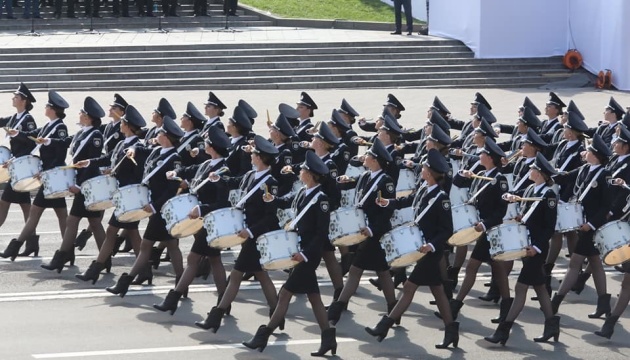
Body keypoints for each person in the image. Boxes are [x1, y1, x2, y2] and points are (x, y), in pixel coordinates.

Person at [242, 151, 337, 356]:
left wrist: (306, 255)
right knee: (314, 297)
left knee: (285, 293)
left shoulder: (321, 200)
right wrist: (271, 199)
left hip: (307, 255)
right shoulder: (304, 192)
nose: (300, 171)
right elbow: (286, 201)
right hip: (300, 251)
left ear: (310, 175)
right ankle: (328, 337)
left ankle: (263, 335)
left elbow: (321, 234)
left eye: (303, 170)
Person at [366, 149, 458, 349]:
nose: (422, 169)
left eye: (424, 168)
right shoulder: (425, 189)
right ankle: (451, 330)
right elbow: (407, 201)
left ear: (431, 172)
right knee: (438, 291)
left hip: (430, 252)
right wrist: (387, 202)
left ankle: (384, 326)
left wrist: (432, 245)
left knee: (409, 288)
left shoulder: (441, 198)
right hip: (421, 248)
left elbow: (447, 230)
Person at [194, 135, 280, 333]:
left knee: (236, 275)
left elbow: (270, 217)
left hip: (255, 236)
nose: (251, 155)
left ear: (260, 158)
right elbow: (235, 181)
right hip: (246, 231)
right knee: (261, 274)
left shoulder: (270, 183)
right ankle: (277, 313)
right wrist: (219, 179)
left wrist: (250, 231)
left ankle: (216, 316)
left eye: (254, 154)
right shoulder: (251, 175)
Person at [153, 126, 232, 314]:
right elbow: (192, 171)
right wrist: (177, 173)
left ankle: (174, 298)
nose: (204, 144)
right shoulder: (207, 164)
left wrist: (202, 209)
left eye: (206, 143)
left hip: (211, 221)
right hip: (203, 220)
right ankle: (224, 302)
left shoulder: (222, 170)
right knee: (214, 260)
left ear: (212, 147)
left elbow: (222, 202)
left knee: (194, 258)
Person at [484, 153, 560, 345]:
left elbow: (549, 227)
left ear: (540, 173)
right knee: (540, 287)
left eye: (533, 169)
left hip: (535, 248)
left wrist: (536, 247)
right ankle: (552, 325)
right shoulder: (531, 190)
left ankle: (503, 330)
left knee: (520, 288)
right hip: (526, 244)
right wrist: (521, 217)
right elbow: (530, 215)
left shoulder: (548, 195)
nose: (530, 171)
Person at [106, 115, 184, 296]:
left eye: (161, 133)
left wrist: (156, 206)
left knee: (147, 245)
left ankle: (126, 281)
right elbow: (140, 148)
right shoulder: (157, 152)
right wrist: (132, 149)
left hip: (163, 209)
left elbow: (171, 189)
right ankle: (182, 283)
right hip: (154, 205)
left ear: (166, 137)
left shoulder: (174, 159)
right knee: (171, 245)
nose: (157, 134)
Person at [327, 138, 397, 325]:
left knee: (356, 270)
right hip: (365, 231)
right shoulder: (366, 176)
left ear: (375, 160)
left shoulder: (386, 181)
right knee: (382, 272)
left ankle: (337, 308)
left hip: (376, 233)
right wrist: (343, 180)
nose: (364, 157)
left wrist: (372, 230)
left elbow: (387, 211)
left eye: (368, 155)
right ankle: (393, 309)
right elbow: (351, 182)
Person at [74, 105, 146, 284]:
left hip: (130, 196)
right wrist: (89, 162)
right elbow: (108, 159)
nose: (120, 124)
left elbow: (137, 171)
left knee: (114, 230)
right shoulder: (122, 143)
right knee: (131, 233)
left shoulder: (138, 147)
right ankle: (144, 270)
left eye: (123, 122)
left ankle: (96, 269)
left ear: (128, 126)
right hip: (122, 195)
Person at [0, 91, 71, 262]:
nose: (45, 108)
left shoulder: (58, 127)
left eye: (47, 106)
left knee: (34, 211)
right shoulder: (48, 125)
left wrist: (44, 169)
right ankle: (62, 250)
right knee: (43, 212)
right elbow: (33, 138)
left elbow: (59, 153)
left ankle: (22, 245)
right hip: (32, 172)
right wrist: (17, 137)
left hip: (46, 175)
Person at [444, 137, 509, 322]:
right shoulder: (482, 175)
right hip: (483, 229)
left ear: (490, 157)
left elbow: (501, 211)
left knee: (474, 267)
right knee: (497, 269)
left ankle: (455, 306)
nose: (480, 155)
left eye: (483, 154)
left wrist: (485, 224)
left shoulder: (499, 179)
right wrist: (464, 175)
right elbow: (457, 183)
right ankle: (506, 304)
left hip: (491, 230)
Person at [550, 134, 613, 318]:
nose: (586, 152)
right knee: (595, 263)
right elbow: (563, 178)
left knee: (575, 263)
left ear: (596, 155)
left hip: (592, 227)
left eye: (590, 151)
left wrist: (591, 224)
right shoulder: (585, 169)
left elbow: (606, 206)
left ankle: (556, 302)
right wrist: (547, 172)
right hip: (581, 223)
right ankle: (604, 303)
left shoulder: (605, 175)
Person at [41, 97, 106, 273]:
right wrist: (48, 141)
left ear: (88, 117)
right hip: (82, 183)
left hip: (87, 184)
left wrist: (79, 185)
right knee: (94, 222)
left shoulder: (96, 135)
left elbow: (92, 164)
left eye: (82, 113)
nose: (79, 114)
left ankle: (62, 257)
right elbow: (65, 141)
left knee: (73, 220)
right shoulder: (83, 132)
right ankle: (105, 259)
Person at [0, 83, 38, 258]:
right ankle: (32, 242)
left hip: (21, 168)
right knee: (25, 207)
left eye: (16, 96)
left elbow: (31, 143)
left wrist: (14, 159)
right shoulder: (16, 117)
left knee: (5, 203)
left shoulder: (28, 120)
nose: (13, 98)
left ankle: (31, 242)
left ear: (23, 101)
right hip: (16, 168)